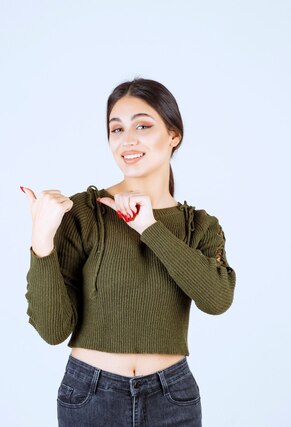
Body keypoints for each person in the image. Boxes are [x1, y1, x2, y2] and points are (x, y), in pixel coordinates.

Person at [21, 77, 236, 426]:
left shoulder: (200, 226)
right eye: (116, 129)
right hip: (90, 393)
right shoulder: (84, 213)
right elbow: (53, 329)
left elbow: (217, 300)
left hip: (172, 397)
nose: (128, 139)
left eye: (143, 125)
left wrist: (150, 228)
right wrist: (41, 241)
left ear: (173, 135)